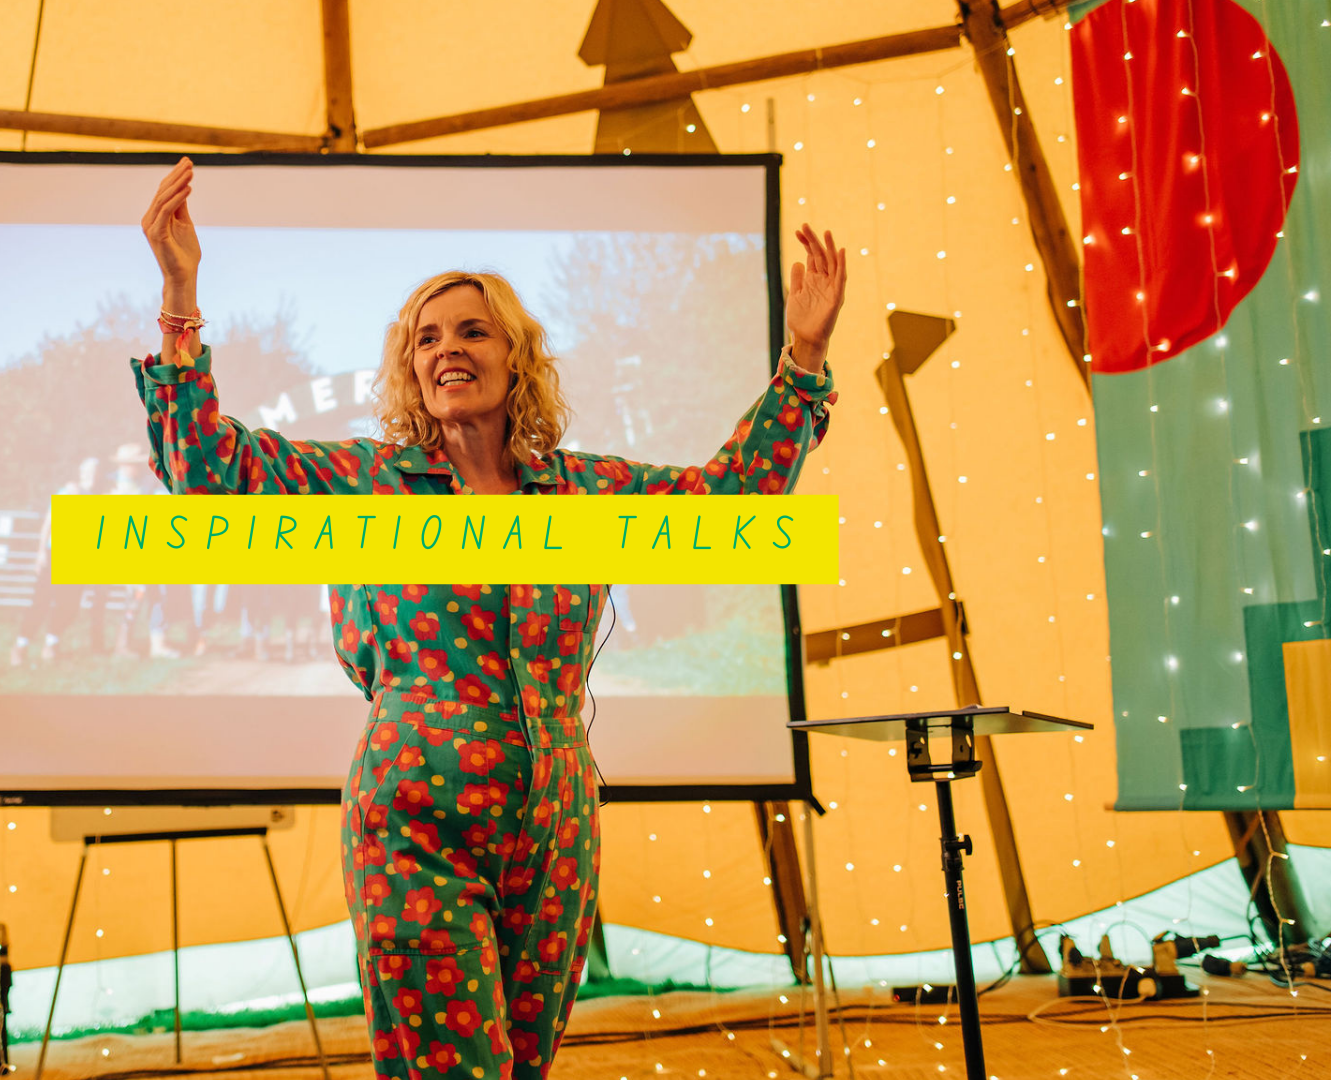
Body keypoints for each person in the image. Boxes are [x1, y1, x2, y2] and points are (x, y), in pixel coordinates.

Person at [134, 157, 845, 1080]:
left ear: (517, 359)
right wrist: (180, 296)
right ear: (410, 368)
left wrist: (804, 361)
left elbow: (729, 507)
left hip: (555, 828)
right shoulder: (370, 485)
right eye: (426, 338)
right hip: (416, 823)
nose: (447, 349)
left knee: (520, 1068)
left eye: (473, 330)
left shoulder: (580, 494)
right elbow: (207, 472)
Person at [11, 455, 103, 664]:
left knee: (69, 604)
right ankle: (21, 646)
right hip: (56, 552)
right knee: (41, 601)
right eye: (88, 471)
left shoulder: (99, 496)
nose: (91, 475)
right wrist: (41, 551)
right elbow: (48, 523)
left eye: (95, 471)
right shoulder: (68, 491)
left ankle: (51, 644)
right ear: (81, 473)